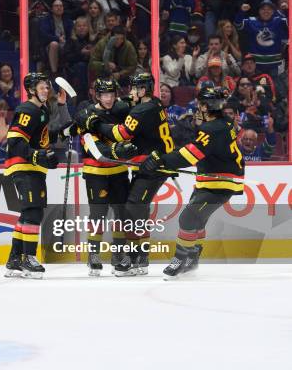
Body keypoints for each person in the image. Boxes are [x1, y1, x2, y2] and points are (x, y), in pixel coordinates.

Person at [139, 86, 245, 278]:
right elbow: (199, 147)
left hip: (220, 183)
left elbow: (191, 154)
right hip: (213, 180)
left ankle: (180, 259)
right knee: (199, 219)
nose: (198, 107)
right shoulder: (225, 123)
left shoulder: (212, 128)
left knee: (187, 218)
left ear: (204, 107)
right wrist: (169, 159)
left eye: (200, 104)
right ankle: (192, 259)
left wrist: (161, 161)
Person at [80, 73, 175, 275]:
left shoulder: (138, 110)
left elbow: (119, 134)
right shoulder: (154, 104)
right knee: (126, 211)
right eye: (104, 94)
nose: (129, 92)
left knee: (131, 209)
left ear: (142, 90)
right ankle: (129, 257)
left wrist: (95, 123)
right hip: (142, 165)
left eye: (133, 88)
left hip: (147, 167)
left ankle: (134, 258)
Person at [61, 79, 137, 276]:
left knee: (121, 214)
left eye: (111, 94)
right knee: (98, 215)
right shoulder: (87, 114)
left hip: (119, 171)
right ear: (97, 95)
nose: (109, 98)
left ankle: (118, 253)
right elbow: (89, 144)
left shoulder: (120, 110)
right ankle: (93, 254)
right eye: (105, 95)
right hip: (96, 172)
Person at [3, 73, 61, 279]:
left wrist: (63, 129)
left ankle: (15, 259)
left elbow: (45, 136)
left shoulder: (42, 110)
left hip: (32, 167)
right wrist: (37, 155)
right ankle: (29, 257)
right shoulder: (27, 109)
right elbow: (14, 141)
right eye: (42, 87)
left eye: (47, 87)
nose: (47, 90)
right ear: (31, 90)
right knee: (34, 212)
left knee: (28, 212)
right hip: (23, 166)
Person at [235, 0, 288, 76]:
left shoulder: (278, 21)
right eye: (263, 9)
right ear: (259, 11)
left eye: (269, 9)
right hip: (255, 65)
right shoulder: (251, 21)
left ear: (273, 11)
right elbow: (238, 25)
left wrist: (287, 11)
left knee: (276, 87)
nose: (266, 11)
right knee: (255, 87)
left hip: (275, 65)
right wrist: (241, 11)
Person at [38, 0, 73, 76]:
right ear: (52, 9)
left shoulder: (68, 20)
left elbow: (72, 35)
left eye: (61, 6)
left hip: (66, 45)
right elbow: (44, 35)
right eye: (56, 6)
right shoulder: (46, 20)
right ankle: (54, 73)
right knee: (54, 44)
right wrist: (57, 39)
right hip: (50, 46)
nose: (59, 8)